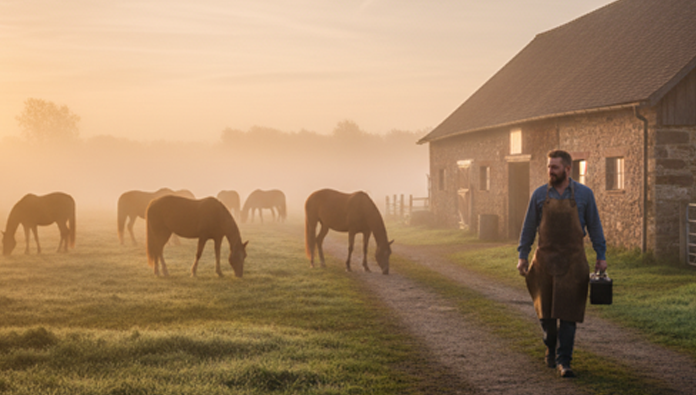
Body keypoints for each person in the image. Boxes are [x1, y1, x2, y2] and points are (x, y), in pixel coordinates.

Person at [516, 150, 607, 378]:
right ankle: (550, 345)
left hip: (573, 263)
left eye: (554, 167)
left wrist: (601, 255)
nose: (550, 171)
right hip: (544, 262)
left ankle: (564, 361)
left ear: (568, 169)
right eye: (548, 167)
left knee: (568, 315)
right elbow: (528, 228)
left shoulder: (585, 195)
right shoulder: (538, 195)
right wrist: (522, 255)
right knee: (546, 314)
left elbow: (595, 226)